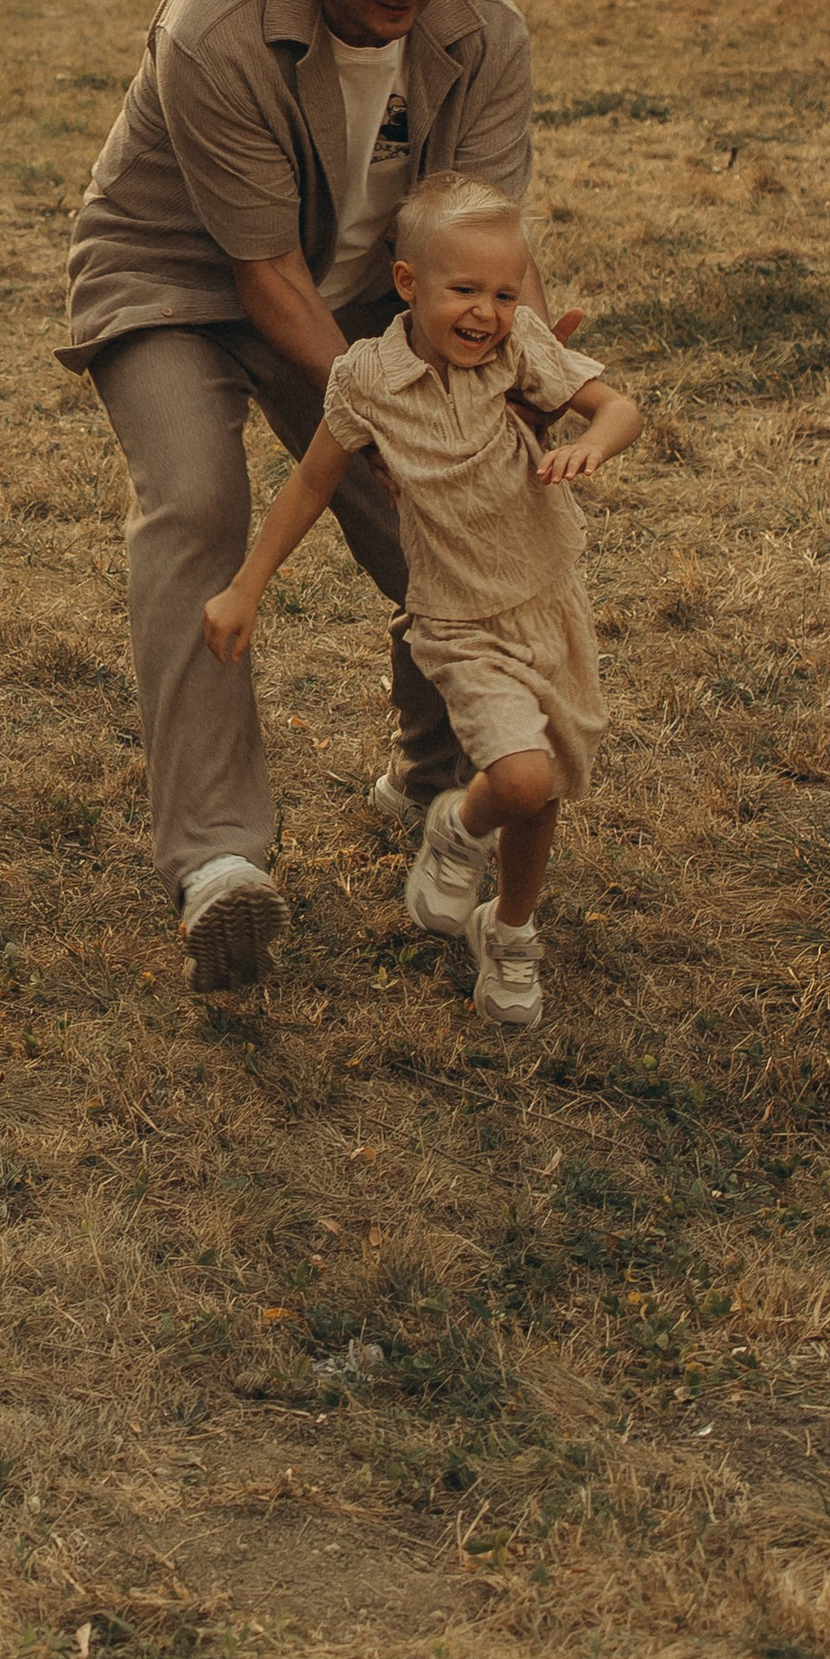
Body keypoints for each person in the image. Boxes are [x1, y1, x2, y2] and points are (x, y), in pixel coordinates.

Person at [64, 0, 573, 997]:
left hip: (356, 288)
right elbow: (261, 276)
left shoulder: (482, 28)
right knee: (197, 505)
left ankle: (437, 775)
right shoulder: (217, 23)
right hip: (175, 276)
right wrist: (390, 422)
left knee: (450, 498)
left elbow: (486, 244)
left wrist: (523, 381)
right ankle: (218, 863)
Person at [200, 171, 640, 1029]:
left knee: (544, 788)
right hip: (460, 619)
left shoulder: (521, 351)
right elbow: (310, 485)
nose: (486, 312)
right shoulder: (368, 380)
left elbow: (617, 405)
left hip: (550, 598)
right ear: (409, 283)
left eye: (505, 293)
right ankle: (456, 828)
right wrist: (246, 585)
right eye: (465, 290)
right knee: (516, 777)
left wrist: (594, 445)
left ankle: (509, 929)